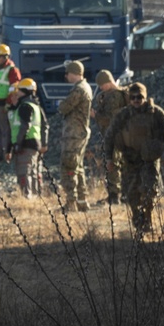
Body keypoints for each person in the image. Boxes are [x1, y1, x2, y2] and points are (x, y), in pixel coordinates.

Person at [103, 82, 164, 235]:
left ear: (145, 97)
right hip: (130, 159)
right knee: (132, 194)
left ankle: (147, 219)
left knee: (150, 191)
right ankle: (138, 221)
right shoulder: (123, 115)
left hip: (150, 160)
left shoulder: (156, 113)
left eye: (139, 97)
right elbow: (109, 136)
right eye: (133, 97)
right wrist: (109, 159)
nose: (136, 100)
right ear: (129, 98)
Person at [57, 60, 92, 212]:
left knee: (69, 167)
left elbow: (64, 107)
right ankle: (82, 201)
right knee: (78, 167)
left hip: (74, 134)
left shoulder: (78, 90)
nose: (66, 77)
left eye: (68, 73)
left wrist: (60, 104)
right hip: (80, 133)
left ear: (74, 74)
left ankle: (71, 203)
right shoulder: (86, 87)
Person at [91, 70, 128, 204]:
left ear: (108, 82)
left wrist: (96, 116)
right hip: (119, 135)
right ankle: (122, 194)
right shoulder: (111, 95)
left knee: (112, 164)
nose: (101, 87)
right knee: (118, 164)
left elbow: (111, 118)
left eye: (102, 84)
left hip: (115, 135)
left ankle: (114, 195)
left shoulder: (114, 96)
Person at [6, 78, 47, 198]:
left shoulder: (24, 107)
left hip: (26, 143)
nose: (15, 95)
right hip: (34, 143)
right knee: (33, 172)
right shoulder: (34, 106)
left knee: (24, 172)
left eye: (18, 92)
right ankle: (35, 197)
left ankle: (27, 198)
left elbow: (24, 126)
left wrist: (18, 143)